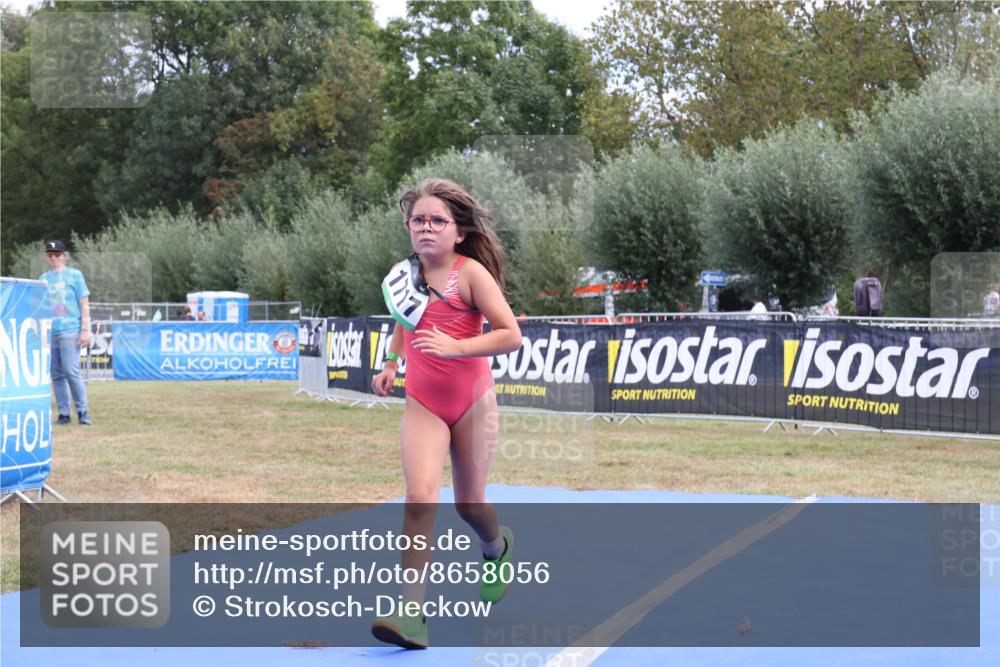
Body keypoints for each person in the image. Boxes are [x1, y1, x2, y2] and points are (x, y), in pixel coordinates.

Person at [369, 178, 522, 649]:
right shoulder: (404, 275)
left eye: (438, 221)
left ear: (458, 231)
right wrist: (391, 363)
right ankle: (411, 615)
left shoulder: (471, 273)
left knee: (468, 505)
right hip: (423, 403)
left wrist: (457, 347)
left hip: (473, 401)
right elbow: (405, 319)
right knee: (419, 498)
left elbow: (510, 334)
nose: (426, 227)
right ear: (408, 227)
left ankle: (496, 547)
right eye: (418, 220)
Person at [38, 240, 93, 425]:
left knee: (71, 371)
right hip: (50, 332)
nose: (54, 257)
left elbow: (84, 304)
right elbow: (40, 305)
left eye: (57, 254)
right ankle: (64, 414)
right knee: (57, 375)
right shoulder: (43, 278)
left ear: (65, 256)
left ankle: (83, 412)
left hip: (70, 329)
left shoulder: (75, 275)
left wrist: (85, 330)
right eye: (50, 254)